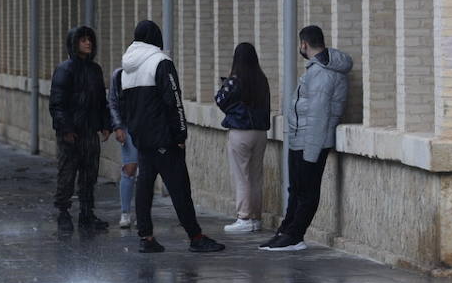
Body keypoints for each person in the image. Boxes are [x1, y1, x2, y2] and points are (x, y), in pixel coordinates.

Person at [117, 20, 225, 254]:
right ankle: (195, 236)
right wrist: (180, 133)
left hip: (142, 140)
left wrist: (135, 131)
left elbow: (124, 105)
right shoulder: (160, 62)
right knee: (179, 188)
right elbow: (173, 100)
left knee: (144, 187)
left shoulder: (127, 68)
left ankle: (146, 237)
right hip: (164, 138)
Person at [260, 25, 353, 252]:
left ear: (304, 44)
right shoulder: (316, 69)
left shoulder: (323, 74)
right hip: (300, 140)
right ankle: (286, 231)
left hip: (311, 143)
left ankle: (295, 235)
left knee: (307, 191)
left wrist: (310, 152)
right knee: (296, 189)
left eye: (300, 45)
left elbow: (318, 116)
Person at [48, 25, 111, 229]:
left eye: (89, 39)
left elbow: (102, 101)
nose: (88, 43)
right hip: (71, 133)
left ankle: (87, 213)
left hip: (89, 132)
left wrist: (105, 125)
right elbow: (57, 104)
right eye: (83, 40)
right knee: (67, 173)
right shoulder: (64, 70)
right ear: (74, 44)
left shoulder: (95, 70)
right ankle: (63, 212)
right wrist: (65, 129)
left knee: (89, 175)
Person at [216, 42, 271, 234]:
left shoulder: (235, 80)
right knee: (256, 176)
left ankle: (244, 217)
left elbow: (220, 100)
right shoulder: (262, 79)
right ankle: (256, 218)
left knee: (242, 177)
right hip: (261, 133)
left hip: (240, 132)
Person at [109, 65, 138, 229]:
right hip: (128, 125)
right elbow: (112, 102)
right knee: (129, 167)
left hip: (146, 125)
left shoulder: (150, 72)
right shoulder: (119, 74)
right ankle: (125, 212)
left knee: (147, 170)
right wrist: (117, 126)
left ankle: (142, 214)